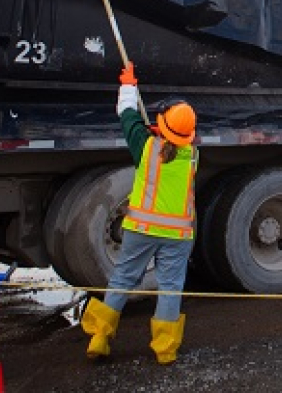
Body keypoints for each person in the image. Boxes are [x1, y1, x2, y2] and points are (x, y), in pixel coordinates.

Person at [81, 63, 198, 365]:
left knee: (122, 278)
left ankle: (100, 336)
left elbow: (127, 112)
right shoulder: (194, 156)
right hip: (178, 235)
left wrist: (129, 83)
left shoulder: (145, 147)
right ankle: (165, 349)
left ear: (161, 125)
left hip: (141, 230)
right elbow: (174, 144)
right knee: (171, 287)